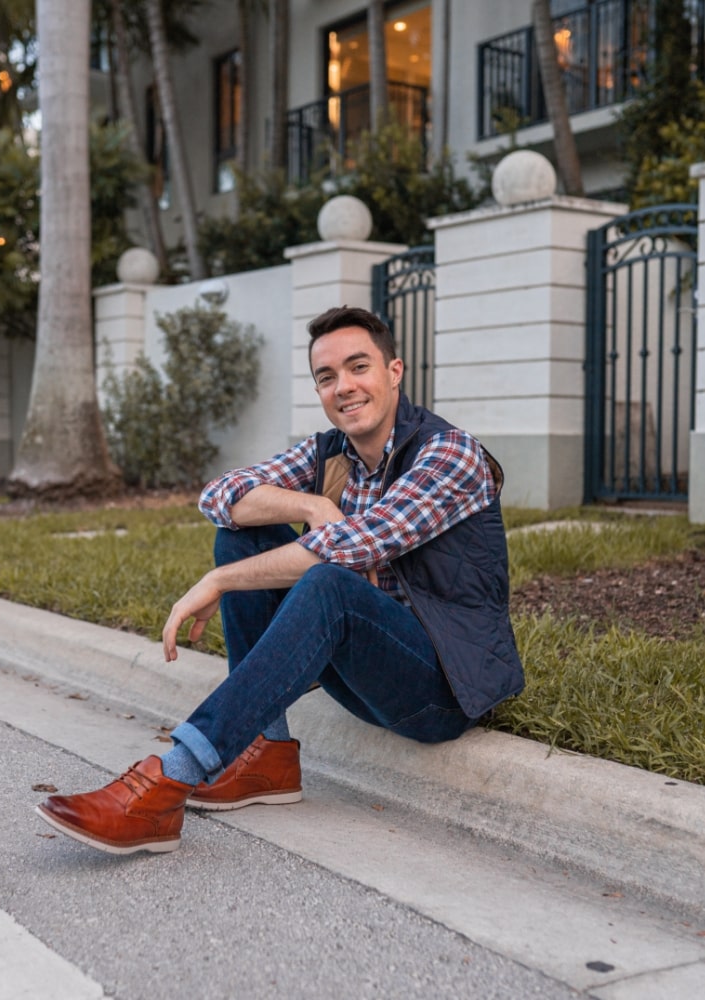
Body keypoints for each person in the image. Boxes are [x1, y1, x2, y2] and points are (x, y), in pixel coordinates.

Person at [36, 305, 524, 855]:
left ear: (394, 372)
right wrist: (311, 503)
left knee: (326, 583)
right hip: (361, 668)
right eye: (327, 376)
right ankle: (266, 754)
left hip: (440, 689)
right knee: (242, 535)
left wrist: (221, 580)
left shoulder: (448, 453)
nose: (344, 387)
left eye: (359, 367)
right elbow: (220, 495)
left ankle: (169, 779)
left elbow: (355, 545)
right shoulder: (331, 453)